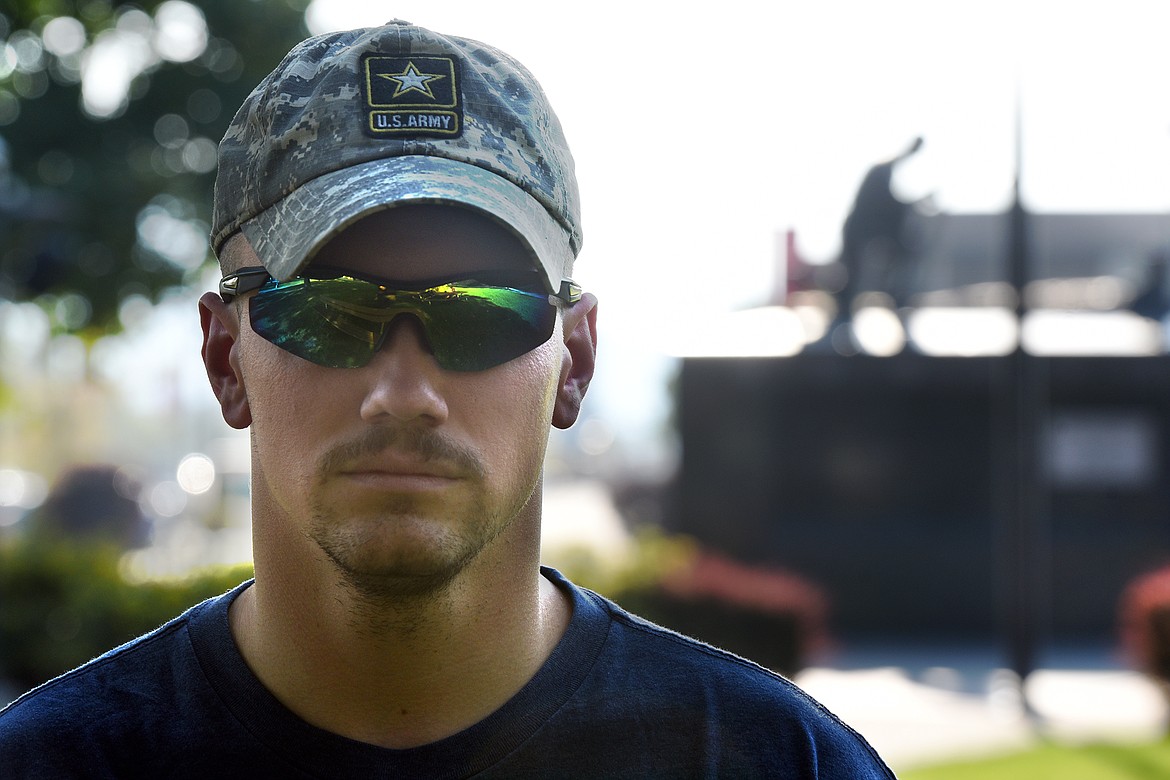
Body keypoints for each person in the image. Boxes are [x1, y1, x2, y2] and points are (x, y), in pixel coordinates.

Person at [0, 20, 896, 778]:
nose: (404, 393)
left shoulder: (778, 763)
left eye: (481, 315)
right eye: (327, 313)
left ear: (574, 362)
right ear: (225, 358)